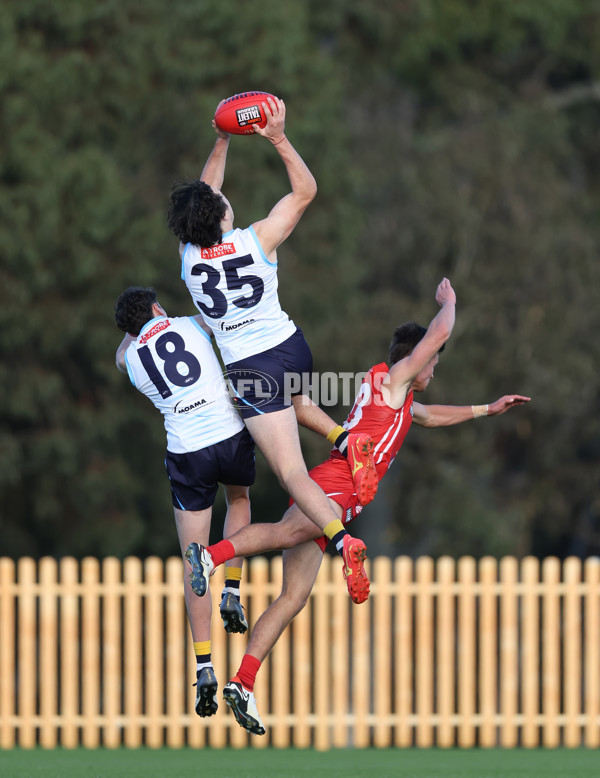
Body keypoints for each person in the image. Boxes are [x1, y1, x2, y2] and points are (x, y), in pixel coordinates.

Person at [185, 277, 531, 734]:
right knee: (288, 533)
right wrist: (448, 303)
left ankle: (243, 682)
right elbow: (440, 334)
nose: (433, 372)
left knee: (293, 596)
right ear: (414, 360)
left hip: (333, 486)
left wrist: (488, 408)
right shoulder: (395, 380)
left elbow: (432, 417)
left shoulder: (398, 397)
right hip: (337, 484)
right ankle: (209, 557)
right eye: (431, 365)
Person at [167, 95, 376, 604]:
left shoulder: (188, 260)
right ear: (222, 213)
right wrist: (276, 137)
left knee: (291, 473)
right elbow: (306, 191)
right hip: (291, 348)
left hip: (250, 371)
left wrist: (222, 137)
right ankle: (347, 439)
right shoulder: (258, 238)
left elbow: (204, 193)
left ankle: (342, 540)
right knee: (297, 404)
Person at [114, 286, 256, 719]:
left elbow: (123, 353)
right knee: (240, 500)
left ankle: (205, 666)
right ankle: (232, 591)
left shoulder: (133, 360)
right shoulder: (192, 323)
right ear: (158, 308)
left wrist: (132, 329)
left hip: (187, 451)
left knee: (193, 560)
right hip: (227, 435)